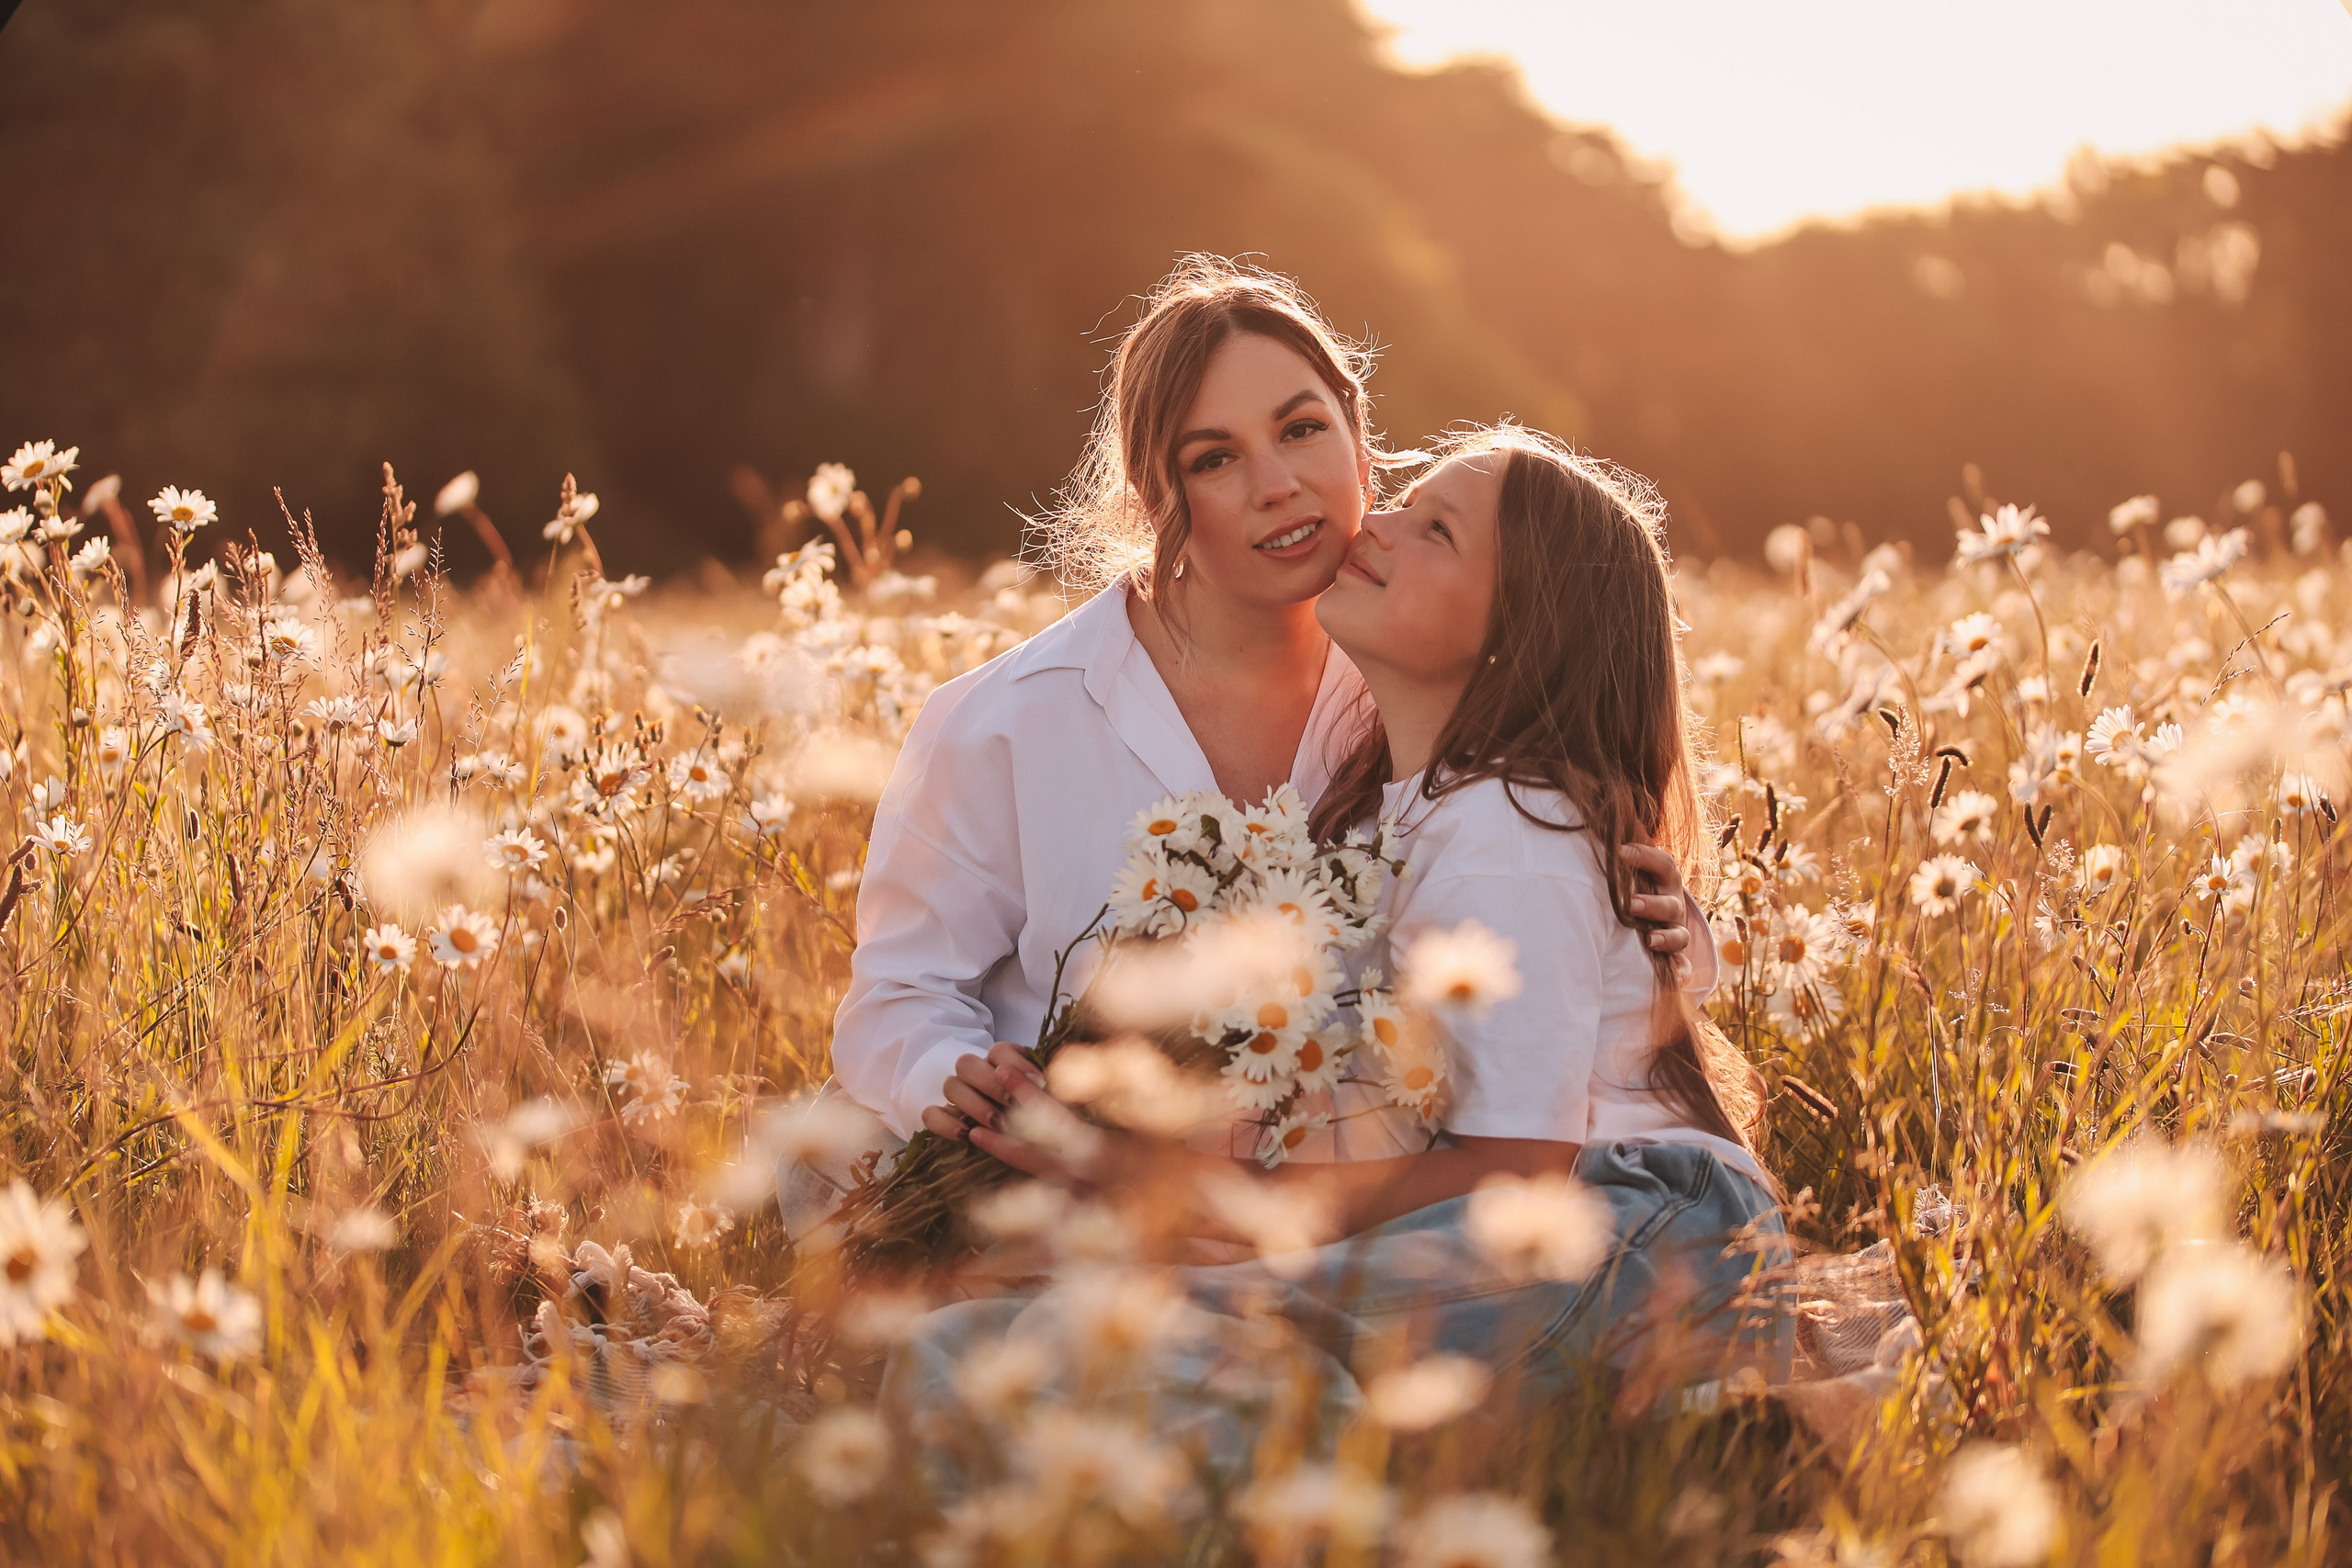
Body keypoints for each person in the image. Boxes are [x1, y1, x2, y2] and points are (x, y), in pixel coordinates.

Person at [885, 427, 1787, 1464]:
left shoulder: (1506, 827)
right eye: (1404, 499)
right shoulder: (1394, 813)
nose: (1382, 523)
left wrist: (1184, 1194)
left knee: (1099, 1352)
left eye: (1437, 529)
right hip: (1552, 1226)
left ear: (1523, 628)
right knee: (1016, 1343)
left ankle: (1667, 1439)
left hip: (1638, 1234)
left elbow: (1515, 1167)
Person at [790, 258, 1712, 1229]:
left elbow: (1535, 943)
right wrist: (950, 1073)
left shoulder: (1427, 677)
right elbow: (898, 994)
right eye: (1213, 459)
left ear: (1360, 440)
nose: (1277, 485)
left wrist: (1660, 920)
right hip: (1058, 1186)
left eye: (1302, 429)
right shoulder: (1006, 721)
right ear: (1154, 496)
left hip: (1309, 1206)